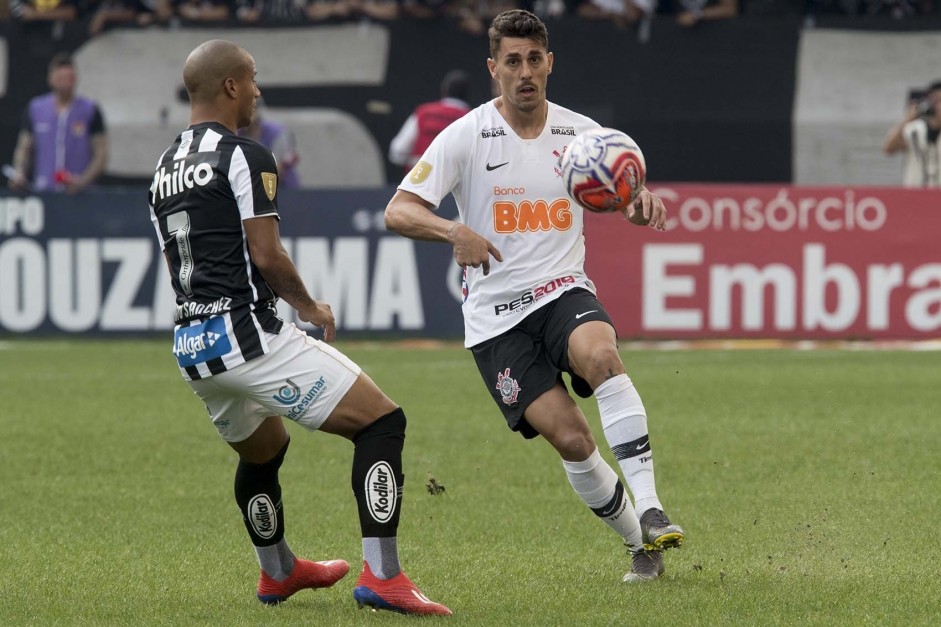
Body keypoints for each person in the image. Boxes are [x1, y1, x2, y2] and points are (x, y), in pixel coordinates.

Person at [147, 39, 450, 616]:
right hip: (249, 337)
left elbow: (174, 265)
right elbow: (265, 253)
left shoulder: (162, 168)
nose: (258, 91)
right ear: (232, 86)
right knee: (382, 422)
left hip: (193, 347)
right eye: (253, 79)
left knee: (264, 450)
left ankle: (279, 572)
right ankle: (383, 577)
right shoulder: (245, 154)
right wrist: (309, 307)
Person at [384, 9, 684, 583]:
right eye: (513, 61)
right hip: (496, 320)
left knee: (601, 356)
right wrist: (453, 229)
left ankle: (649, 504)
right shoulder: (466, 135)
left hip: (562, 290)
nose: (525, 72)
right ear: (493, 68)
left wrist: (638, 202)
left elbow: (625, 189)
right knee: (572, 438)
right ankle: (639, 549)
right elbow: (399, 209)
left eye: (534, 60)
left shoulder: (584, 137)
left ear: (550, 63)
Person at [8, 53, 108, 194]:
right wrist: (19, 171)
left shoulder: (90, 110)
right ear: (51, 79)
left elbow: (101, 154)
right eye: (60, 78)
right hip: (45, 190)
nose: (65, 83)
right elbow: (24, 148)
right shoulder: (35, 109)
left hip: (81, 194)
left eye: (69, 78)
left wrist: (83, 181)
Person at [388, 70, 471, 174]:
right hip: (454, 183)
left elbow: (398, 150)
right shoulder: (472, 119)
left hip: (418, 181)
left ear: (444, 90)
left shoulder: (424, 112)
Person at [883, 81, 941, 187]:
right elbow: (889, 148)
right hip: (915, 192)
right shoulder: (915, 130)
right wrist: (907, 119)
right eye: (934, 101)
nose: (937, 106)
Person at [238, 100, 301, 189]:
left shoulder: (278, 134)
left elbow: (276, 169)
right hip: (250, 191)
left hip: (284, 190)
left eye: (252, 109)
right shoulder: (236, 135)